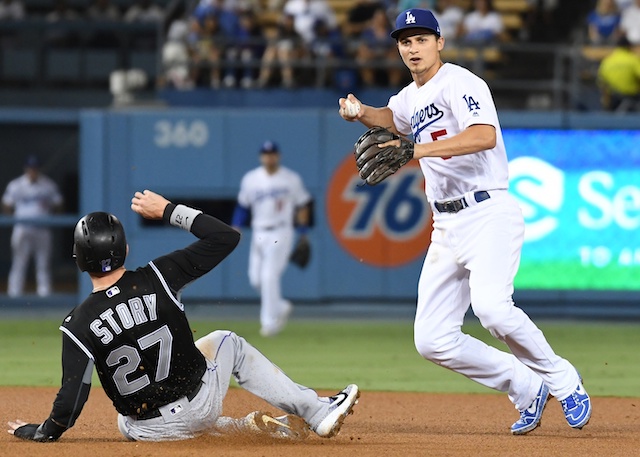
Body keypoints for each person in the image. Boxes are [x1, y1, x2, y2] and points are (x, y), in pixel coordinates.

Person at [337, 8, 591, 435]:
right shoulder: (409, 98)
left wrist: (414, 151)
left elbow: (483, 135)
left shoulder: (462, 82)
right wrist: (361, 110)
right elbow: (392, 117)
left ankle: (564, 381)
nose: (412, 48)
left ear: (440, 42)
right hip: (447, 225)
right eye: (405, 41)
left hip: (488, 211)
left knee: (492, 308)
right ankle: (526, 387)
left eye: (421, 39)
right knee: (432, 340)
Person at [7, 189, 359, 442]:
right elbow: (226, 237)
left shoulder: (77, 324)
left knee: (122, 422)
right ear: (125, 249)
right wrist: (168, 210)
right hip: (200, 403)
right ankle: (314, 411)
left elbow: (70, 403)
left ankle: (239, 429)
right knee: (226, 341)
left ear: (78, 260)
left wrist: (42, 431)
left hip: (146, 430)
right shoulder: (159, 275)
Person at [232, 141, 311, 337]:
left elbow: (303, 205)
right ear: (261, 157)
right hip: (258, 231)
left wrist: (303, 233)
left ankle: (269, 324)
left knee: (269, 276)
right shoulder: (251, 179)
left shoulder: (290, 179)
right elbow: (243, 206)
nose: (269, 157)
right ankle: (280, 305)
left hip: (281, 231)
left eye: (273, 153)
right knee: (255, 279)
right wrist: (237, 227)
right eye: (266, 154)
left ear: (278, 156)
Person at [2, 155, 63, 297]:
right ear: (26, 168)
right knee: (19, 262)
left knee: (43, 263)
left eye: (35, 168)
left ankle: (44, 294)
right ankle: (14, 294)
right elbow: (6, 204)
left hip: (42, 229)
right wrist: (13, 220)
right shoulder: (16, 185)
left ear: (39, 169)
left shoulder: (48, 185)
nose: (33, 171)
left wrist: (52, 218)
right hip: (22, 228)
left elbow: (58, 203)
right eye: (31, 168)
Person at [597, 35, 640, 112]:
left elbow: (601, 80)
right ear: (628, 46)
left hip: (613, 97)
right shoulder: (633, 60)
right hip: (632, 96)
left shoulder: (607, 61)